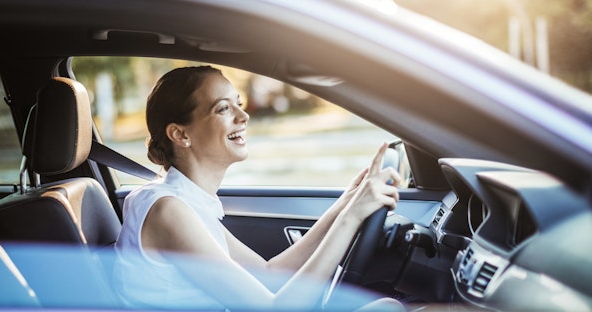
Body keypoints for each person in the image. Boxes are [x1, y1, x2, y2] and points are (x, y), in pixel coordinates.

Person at [113, 66, 403, 311]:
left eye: (238, 102)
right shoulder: (169, 210)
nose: (244, 116)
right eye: (224, 108)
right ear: (180, 134)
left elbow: (268, 274)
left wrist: (346, 204)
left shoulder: (186, 201)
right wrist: (350, 219)